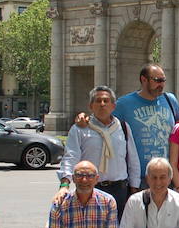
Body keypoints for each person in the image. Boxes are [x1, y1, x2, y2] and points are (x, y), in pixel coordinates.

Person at [56, 86, 140, 220]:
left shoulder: (123, 128)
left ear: (113, 106)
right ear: (91, 106)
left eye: (106, 101)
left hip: (120, 190)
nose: (102, 104)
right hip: (90, 189)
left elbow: (133, 160)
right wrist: (64, 184)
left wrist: (134, 189)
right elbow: (71, 157)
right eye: (98, 101)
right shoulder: (80, 129)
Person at [96, 63, 179, 186]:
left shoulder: (170, 100)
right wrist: (83, 120)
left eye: (163, 80)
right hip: (138, 179)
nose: (161, 85)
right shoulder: (123, 104)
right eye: (157, 80)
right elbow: (102, 122)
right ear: (144, 80)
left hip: (167, 177)